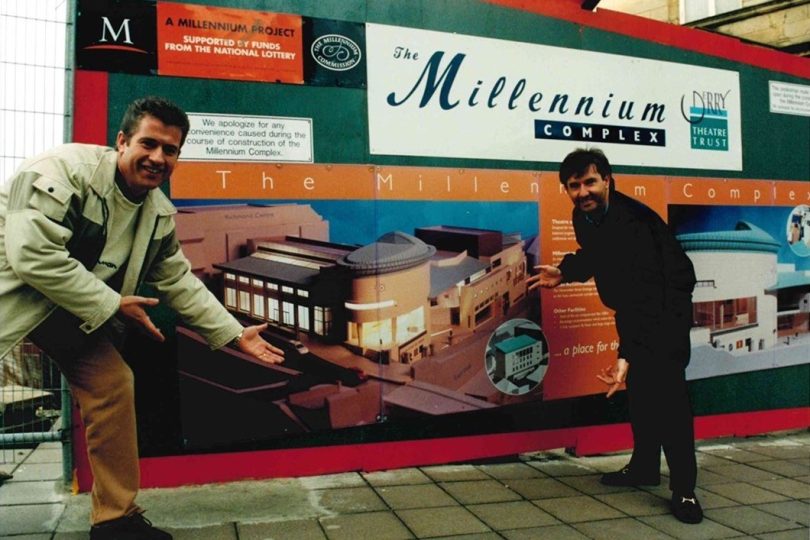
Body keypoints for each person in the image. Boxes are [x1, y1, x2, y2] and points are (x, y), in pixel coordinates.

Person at [0, 96, 284, 539]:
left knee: (112, 385)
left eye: (169, 150)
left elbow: (178, 280)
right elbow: (31, 255)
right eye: (148, 144)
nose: (157, 158)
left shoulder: (156, 214)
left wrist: (231, 332)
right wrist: (113, 304)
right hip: (12, 295)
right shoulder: (58, 170)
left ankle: (114, 520)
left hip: (71, 305)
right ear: (121, 141)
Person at [526, 148, 703, 524]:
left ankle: (685, 491)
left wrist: (626, 352)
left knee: (668, 399)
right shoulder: (585, 216)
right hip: (637, 305)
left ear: (607, 180)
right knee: (640, 393)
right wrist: (566, 271)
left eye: (590, 182)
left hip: (666, 306)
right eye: (574, 186)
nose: (582, 192)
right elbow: (597, 255)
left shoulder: (631, 223)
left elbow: (646, 294)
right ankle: (643, 468)